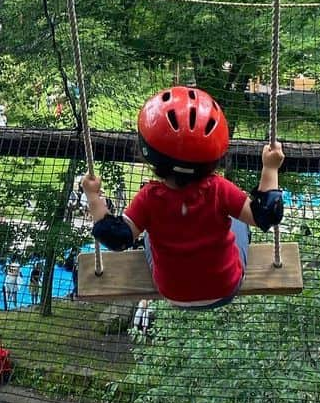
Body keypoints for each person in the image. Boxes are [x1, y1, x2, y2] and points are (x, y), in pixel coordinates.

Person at [81, 86, 285, 308]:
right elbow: (266, 215)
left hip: (173, 294)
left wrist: (93, 196)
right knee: (238, 220)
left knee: (148, 231)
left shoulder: (149, 198)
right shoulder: (219, 189)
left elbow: (116, 237)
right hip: (225, 288)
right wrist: (270, 168)